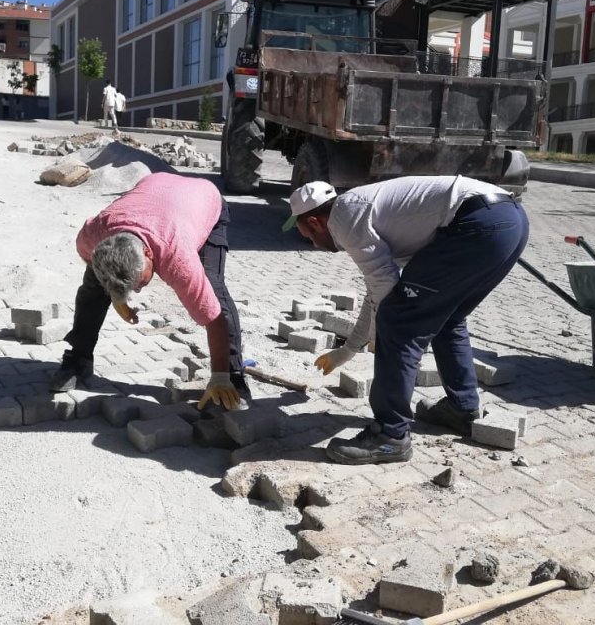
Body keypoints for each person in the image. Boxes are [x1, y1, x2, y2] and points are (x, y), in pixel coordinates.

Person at [285, 175, 530, 465]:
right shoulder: (366, 212)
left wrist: (381, 336)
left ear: (315, 222)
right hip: (509, 221)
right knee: (447, 318)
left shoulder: (344, 217)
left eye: (306, 235)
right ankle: (461, 409)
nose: (311, 244)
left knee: (399, 324)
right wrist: (348, 350)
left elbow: (387, 301)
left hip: (477, 225)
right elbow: (378, 290)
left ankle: (390, 436)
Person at [49, 172, 250, 411]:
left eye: (139, 283)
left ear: (148, 254)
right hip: (154, 189)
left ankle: (234, 375)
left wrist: (219, 376)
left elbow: (214, 319)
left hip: (205, 200)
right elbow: (97, 270)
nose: (138, 290)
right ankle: (78, 358)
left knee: (213, 289)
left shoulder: (178, 258)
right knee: (93, 288)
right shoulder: (91, 237)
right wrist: (117, 295)